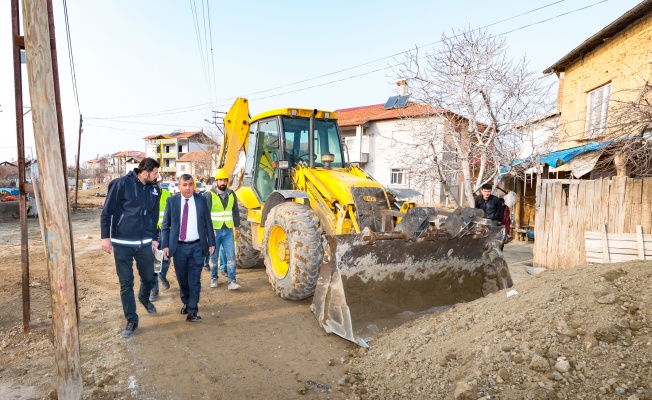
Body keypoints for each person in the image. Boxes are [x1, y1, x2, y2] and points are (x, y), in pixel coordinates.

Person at [100, 157, 160, 338]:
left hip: (144, 244)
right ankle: (132, 320)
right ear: (146, 172)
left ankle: (144, 298)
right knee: (126, 283)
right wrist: (105, 238)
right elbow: (106, 212)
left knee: (149, 278)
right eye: (155, 172)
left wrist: (155, 238)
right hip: (122, 244)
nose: (158, 176)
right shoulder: (120, 184)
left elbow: (154, 217)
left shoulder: (155, 190)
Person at [161, 174, 215, 322]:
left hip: (197, 246)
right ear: (179, 187)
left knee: (194, 280)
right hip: (178, 248)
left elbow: (208, 223)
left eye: (190, 184)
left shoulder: (201, 200)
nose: (188, 188)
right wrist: (165, 245)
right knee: (182, 279)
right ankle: (186, 301)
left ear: (194, 186)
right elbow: (165, 226)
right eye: (184, 184)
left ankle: (192, 310)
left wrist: (211, 242)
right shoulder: (171, 202)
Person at [204, 169, 241, 290]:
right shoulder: (210, 195)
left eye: (225, 180)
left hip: (228, 231)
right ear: (216, 182)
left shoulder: (231, 194)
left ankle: (232, 281)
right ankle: (214, 278)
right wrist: (209, 231)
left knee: (231, 256)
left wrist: (238, 226)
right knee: (214, 257)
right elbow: (205, 214)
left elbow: (235, 211)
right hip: (215, 232)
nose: (223, 182)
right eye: (220, 180)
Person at [150, 174, 172, 302]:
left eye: (157, 182)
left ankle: (162, 275)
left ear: (160, 182)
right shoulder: (145, 196)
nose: (155, 184)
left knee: (166, 259)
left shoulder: (167, 195)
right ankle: (154, 289)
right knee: (153, 262)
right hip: (151, 232)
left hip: (165, 231)